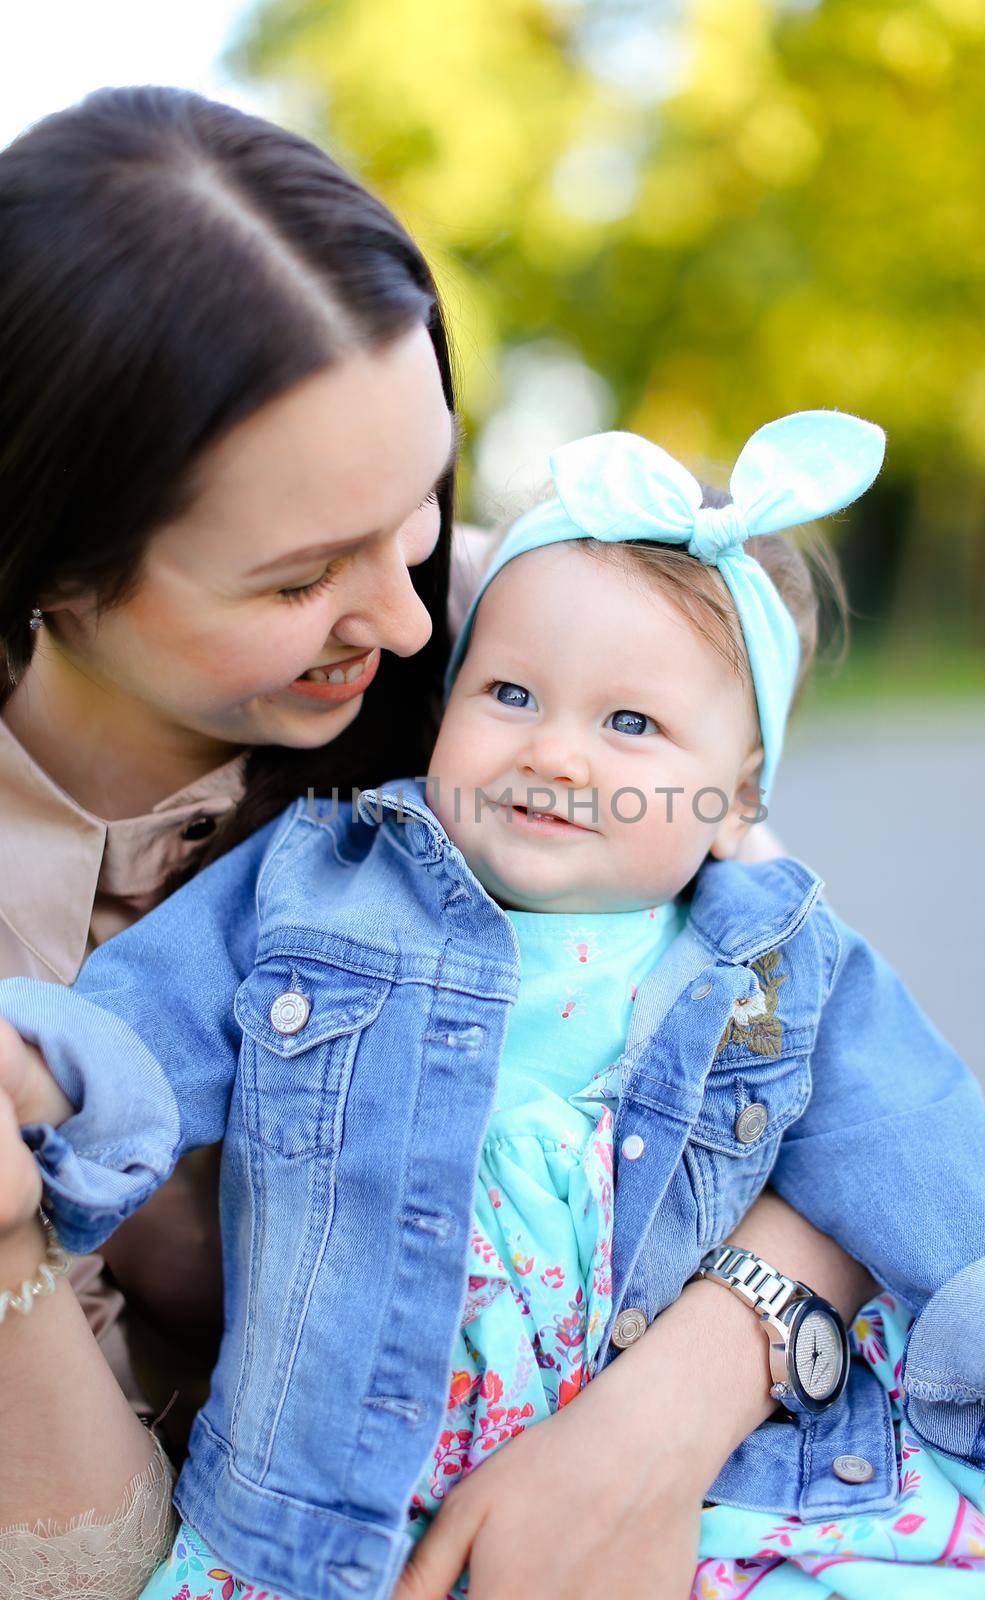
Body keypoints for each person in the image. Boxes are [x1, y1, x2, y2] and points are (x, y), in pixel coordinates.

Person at [0, 85, 878, 1600]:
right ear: (55, 565)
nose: (412, 624)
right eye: (298, 580)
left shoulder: (541, 645)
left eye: (413, 512)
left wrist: (648, 1433)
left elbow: (814, 1068)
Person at [2, 415, 985, 1600]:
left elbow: (910, 1130)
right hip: (328, 1525)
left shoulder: (775, 960)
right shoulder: (325, 883)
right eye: (508, 692)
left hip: (691, 1508)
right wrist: (39, 1072)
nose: (554, 753)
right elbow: (143, 1017)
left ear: (734, 793)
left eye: (629, 724)